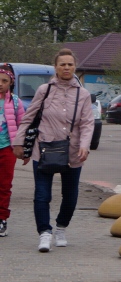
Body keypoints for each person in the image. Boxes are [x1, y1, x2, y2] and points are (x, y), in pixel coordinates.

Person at [17, 48, 93, 253]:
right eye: (62, 64)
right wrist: (19, 142)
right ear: (56, 67)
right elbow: (29, 117)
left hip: (72, 152)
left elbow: (87, 123)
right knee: (42, 194)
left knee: (70, 195)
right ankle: (44, 232)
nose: (66, 67)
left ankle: (61, 228)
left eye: (70, 64)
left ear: (74, 67)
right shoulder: (45, 90)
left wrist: (85, 144)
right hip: (43, 148)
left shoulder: (83, 94)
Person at [0, 63, 26, 238]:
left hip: (7, 149)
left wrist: (23, 148)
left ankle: (2, 218)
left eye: (4, 81)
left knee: (4, 185)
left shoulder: (16, 102)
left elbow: (22, 125)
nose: (0, 83)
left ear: (11, 83)